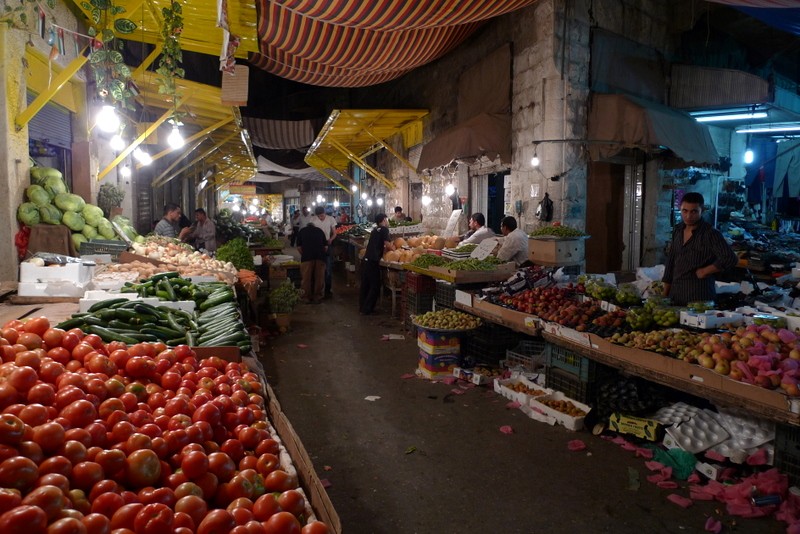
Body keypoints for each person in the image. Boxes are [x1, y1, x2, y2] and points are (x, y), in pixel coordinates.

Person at [662, 192, 737, 306]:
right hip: (676, 295)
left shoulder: (710, 234)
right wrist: (664, 294)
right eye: (685, 211)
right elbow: (671, 261)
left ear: (702, 210)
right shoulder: (678, 230)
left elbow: (730, 258)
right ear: (680, 209)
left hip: (699, 298)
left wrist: (705, 271)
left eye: (694, 211)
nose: (688, 216)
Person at [360, 213, 396, 315]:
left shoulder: (375, 230)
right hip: (373, 261)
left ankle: (362, 307)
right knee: (375, 285)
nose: (387, 221)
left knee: (365, 285)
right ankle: (368, 309)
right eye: (387, 219)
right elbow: (387, 244)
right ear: (384, 220)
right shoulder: (384, 229)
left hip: (366, 259)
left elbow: (378, 244)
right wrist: (394, 249)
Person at [296, 222, 328, 304]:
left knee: (306, 278)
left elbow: (299, 247)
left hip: (307, 257)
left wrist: (304, 254)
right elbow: (325, 247)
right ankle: (317, 297)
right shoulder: (320, 231)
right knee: (319, 278)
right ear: (314, 226)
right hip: (320, 257)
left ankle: (305, 297)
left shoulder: (302, 231)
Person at [310, 205, 337, 298]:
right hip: (316, 245)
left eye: (322, 215)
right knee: (316, 267)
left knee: (328, 268)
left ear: (324, 213)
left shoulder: (331, 219)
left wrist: (331, 240)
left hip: (327, 243)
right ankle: (316, 290)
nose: (320, 217)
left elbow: (335, 233)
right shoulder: (313, 220)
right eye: (319, 216)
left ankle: (328, 290)